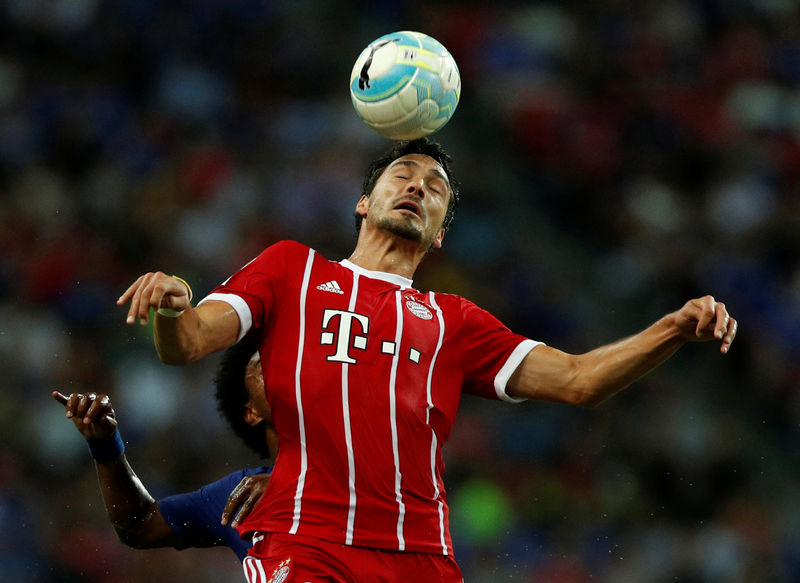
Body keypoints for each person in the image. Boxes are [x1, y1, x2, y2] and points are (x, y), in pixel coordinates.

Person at [117, 137, 738, 583]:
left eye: (435, 187)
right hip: (310, 546)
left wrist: (672, 328)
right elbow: (190, 343)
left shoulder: (457, 322)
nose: (417, 185)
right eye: (402, 173)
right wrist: (174, 308)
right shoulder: (292, 270)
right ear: (364, 202)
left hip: (424, 559)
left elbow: (579, 381)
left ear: (440, 233)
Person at [53, 339, 276, 562]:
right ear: (252, 411)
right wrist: (105, 445)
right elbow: (139, 526)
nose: (288, 373)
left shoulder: (293, 488)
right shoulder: (242, 497)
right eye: (266, 365)